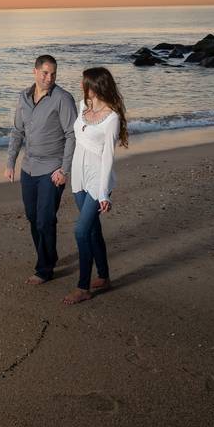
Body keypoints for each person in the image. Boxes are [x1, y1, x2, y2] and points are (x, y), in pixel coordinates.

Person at [5, 55, 78, 285]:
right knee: (32, 217)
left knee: (45, 220)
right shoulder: (23, 98)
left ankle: (44, 269)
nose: (49, 78)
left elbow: (72, 135)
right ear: (35, 72)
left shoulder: (63, 99)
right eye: (45, 73)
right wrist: (10, 163)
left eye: (53, 73)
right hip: (28, 168)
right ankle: (50, 256)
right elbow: (17, 132)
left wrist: (64, 170)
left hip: (52, 169)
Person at [63, 67, 129, 305]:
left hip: (97, 178)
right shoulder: (84, 106)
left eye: (86, 84)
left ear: (97, 86)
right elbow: (76, 138)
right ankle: (104, 276)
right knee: (92, 229)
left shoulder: (111, 118)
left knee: (81, 231)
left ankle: (83, 287)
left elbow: (108, 157)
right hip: (79, 176)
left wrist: (104, 194)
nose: (83, 87)